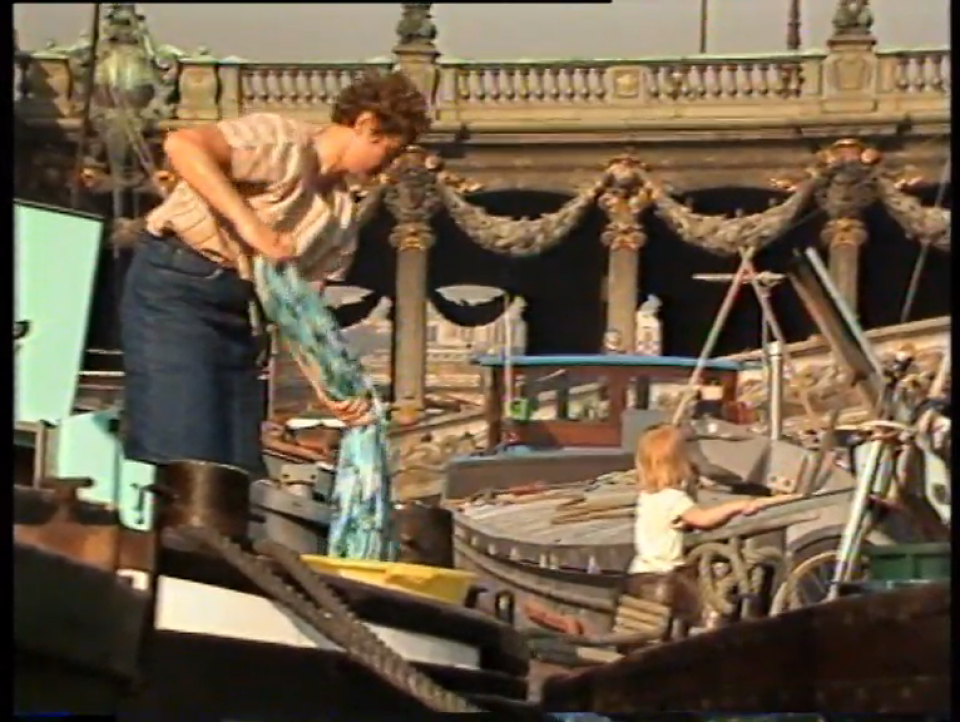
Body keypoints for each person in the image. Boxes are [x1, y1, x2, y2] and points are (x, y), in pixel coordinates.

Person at [120, 71, 430, 479]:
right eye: (390, 152)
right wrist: (252, 227)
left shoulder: (339, 216)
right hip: (176, 289)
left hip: (239, 312)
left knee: (236, 464)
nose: (388, 168)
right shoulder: (282, 141)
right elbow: (183, 145)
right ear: (366, 125)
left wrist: (334, 389)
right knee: (183, 448)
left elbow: (303, 312)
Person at [628, 424, 762, 576]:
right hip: (664, 573)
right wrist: (737, 506)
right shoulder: (675, 498)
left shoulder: (647, 496)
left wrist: (684, 522)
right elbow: (704, 519)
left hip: (641, 570)